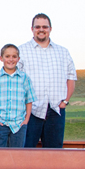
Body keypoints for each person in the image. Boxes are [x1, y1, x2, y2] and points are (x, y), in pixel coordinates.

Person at [18, 13, 77, 148]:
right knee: (26, 152)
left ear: (50, 28)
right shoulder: (21, 51)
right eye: (37, 26)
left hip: (56, 109)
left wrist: (65, 101)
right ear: (32, 29)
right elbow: (15, 80)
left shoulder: (63, 52)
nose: (41, 29)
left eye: (45, 26)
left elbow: (71, 77)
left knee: (54, 154)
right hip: (30, 110)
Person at [0, 44, 37, 148]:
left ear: (18, 59)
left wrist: (26, 120)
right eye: (7, 56)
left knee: (17, 156)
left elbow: (29, 100)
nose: (11, 59)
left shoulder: (24, 78)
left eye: (14, 56)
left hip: (19, 125)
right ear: (1, 58)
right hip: (0, 124)